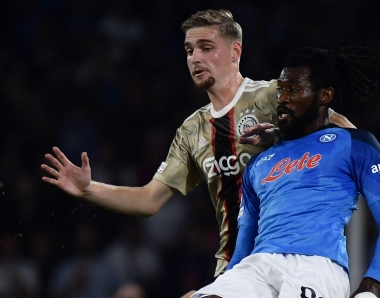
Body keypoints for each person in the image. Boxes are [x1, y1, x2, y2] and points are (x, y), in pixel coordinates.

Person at [40, 9, 353, 293]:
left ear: (235, 52)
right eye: (189, 51)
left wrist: (286, 138)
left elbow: (347, 136)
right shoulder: (193, 130)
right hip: (237, 269)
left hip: (299, 258)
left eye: (206, 47)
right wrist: (88, 189)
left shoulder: (273, 95)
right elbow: (149, 200)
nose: (194, 58)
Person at [191, 45, 380, 298]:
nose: (283, 98)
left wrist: (370, 286)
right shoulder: (259, 164)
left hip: (317, 266)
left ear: (324, 96)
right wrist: (224, 283)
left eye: (294, 90)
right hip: (258, 265)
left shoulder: (356, 144)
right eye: (281, 90)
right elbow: (244, 242)